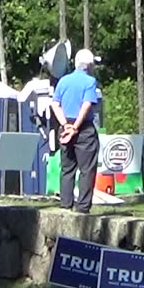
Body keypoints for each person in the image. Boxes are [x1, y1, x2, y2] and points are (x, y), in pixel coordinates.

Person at [51, 49, 101, 214]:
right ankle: (82, 208)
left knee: (67, 168)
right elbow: (86, 105)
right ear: (89, 65)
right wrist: (75, 127)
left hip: (64, 126)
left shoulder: (63, 81)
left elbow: (55, 104)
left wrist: (65, 125)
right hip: (83, 128)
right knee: (87, 169)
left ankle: (66, 204)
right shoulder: (90, 81)